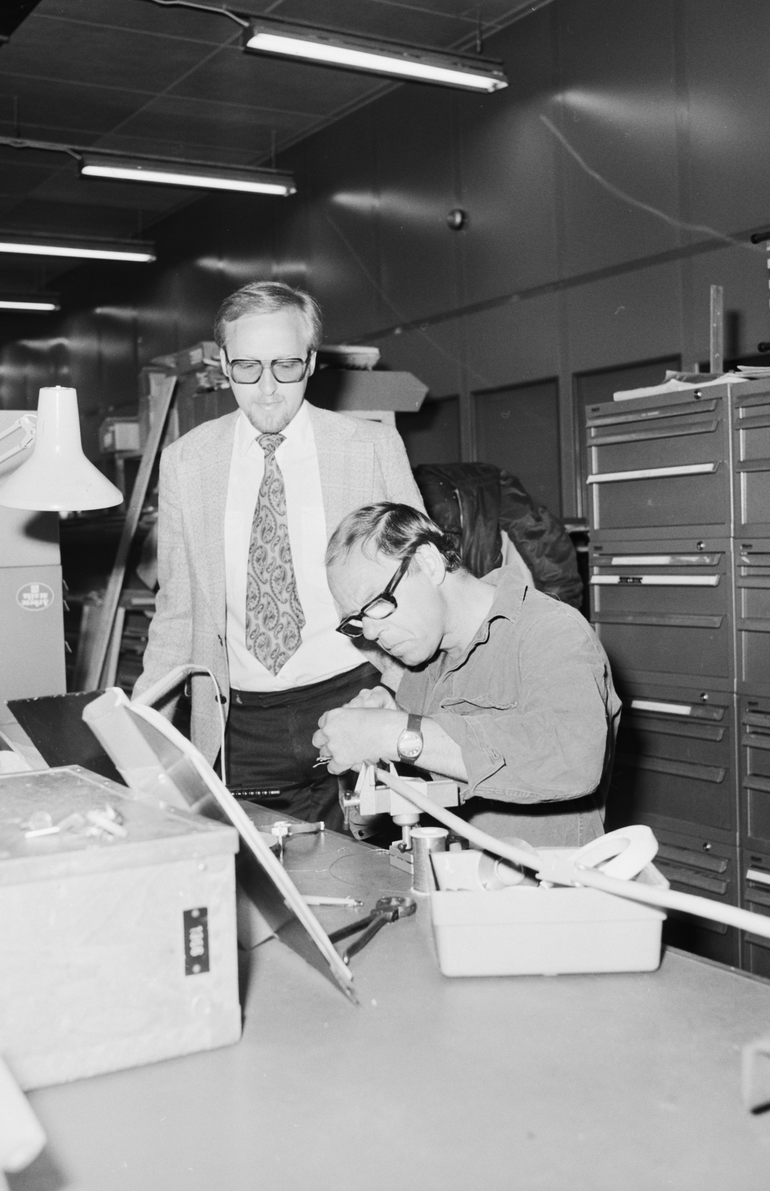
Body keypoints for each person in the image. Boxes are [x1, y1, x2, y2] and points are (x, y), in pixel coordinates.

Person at [135, 282, 422, 829]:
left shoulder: (371, 449)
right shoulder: (186, 463)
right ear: (223, 364)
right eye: (247, 367)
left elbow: (420, 591)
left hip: (356, 698)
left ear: (311, 362)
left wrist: (398, 693)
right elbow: (177, 614)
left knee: (369, 866)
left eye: (286, 366)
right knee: (260, 872)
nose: (267, 390)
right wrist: (140, 736)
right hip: (241, 725)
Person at [311, 502, 619, 845]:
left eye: (376, 603)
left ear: (428, 563)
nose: (369, 633)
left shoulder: (550, 630)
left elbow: (574, 761)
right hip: (451, 868)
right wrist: (384, 742)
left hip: (544, 874)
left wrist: (397, 733)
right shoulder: (422, 663)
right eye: (356, 620)